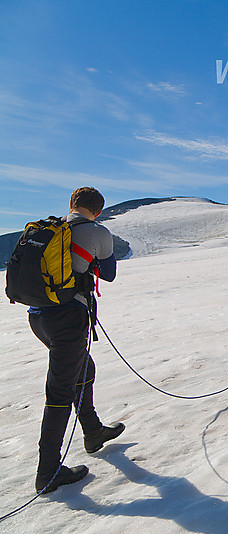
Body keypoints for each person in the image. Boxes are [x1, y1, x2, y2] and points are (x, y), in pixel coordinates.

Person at [27, 187, 124, 494]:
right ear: (98, 210)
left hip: (37, 317)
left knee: (84, 368)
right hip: (67, 319)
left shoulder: (50, 229)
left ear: (72, 204)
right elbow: (108, 274)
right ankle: (48, 471)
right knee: (59, 390)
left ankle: (93, 431)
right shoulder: (97, 232)